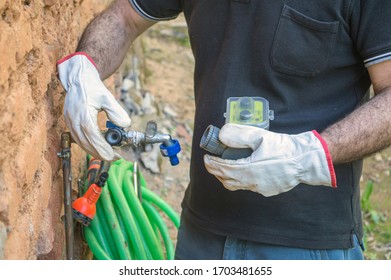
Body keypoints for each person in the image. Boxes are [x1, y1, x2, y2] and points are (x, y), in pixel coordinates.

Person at [57, 0, 391, 260]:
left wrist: (312, 154)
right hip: (201, 233)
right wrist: (86, 66)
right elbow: (124, 17)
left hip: (306, 244)